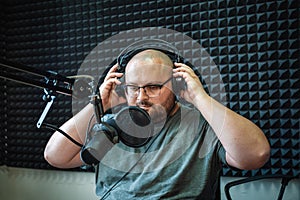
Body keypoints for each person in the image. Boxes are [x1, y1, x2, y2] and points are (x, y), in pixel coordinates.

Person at [44, 48, 270, 200]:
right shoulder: (109, 125)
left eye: (153, 87)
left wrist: (199, 98)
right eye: (134, 87)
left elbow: (255, 154)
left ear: (177, 86)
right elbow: (55, 156)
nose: (141, 97)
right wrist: (100, 104)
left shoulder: (202, 124)